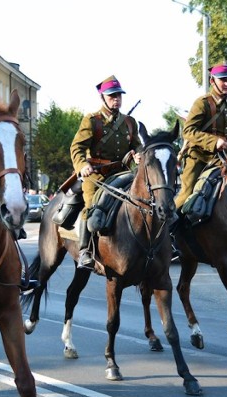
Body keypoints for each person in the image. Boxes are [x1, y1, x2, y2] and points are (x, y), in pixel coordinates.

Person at [70, 75, 142, 270]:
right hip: (97, 175)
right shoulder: (92, 120)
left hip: (122, 173)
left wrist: (138, 156)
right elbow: (76, 147)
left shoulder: (129, 122)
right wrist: (81, 165)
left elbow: (138, 145)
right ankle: (85, 251)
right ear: (103, 98)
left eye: (119, 95)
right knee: (92, 207)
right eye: (112, 96)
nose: (116, 99)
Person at [174, 62, 227, 211]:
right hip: (199, 158)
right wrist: (214, 141)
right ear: (212, 81)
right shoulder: (202, 103)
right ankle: (169, 229)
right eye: (223, 79)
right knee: (187, 194)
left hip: (226, 157)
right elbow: (188, 130)